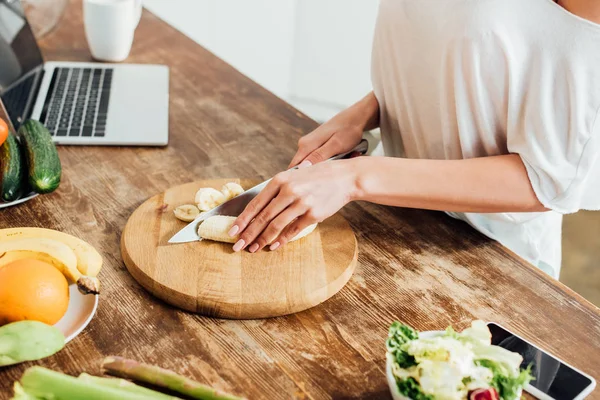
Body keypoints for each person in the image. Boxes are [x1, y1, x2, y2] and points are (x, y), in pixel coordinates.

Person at [227, 0, 600, 279]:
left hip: (484, 258)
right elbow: (469, 54)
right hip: (394, 220)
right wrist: (368, 109)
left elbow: (546, 180)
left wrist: (354, 177)